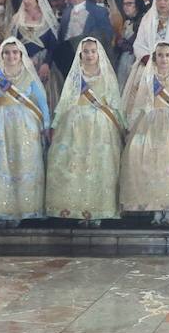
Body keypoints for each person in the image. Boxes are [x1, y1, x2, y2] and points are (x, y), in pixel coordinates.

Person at [0, 37, 50, 227]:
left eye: (15, 52)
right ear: (2, 55)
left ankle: (21, 210)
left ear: (21, 55)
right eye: (7, 52)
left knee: (22, 164)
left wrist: (46, 124)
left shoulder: (29, 76)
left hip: (25, 125)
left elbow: (43, 103)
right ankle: (1, 210)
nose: (11, 56)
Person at [46, 36, 124, 225]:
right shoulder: (75, 75)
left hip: (101, 127)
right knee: (77, 167)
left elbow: (115, 102)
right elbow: (65, 101)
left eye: (93, 51)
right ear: (80, 54)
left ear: (99, 54)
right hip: (76, 126)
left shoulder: (106, 74)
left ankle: (99, 210)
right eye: (86, 51)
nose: (89, 55)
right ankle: (79, 208)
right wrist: (55, 124)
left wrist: (123, 126)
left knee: (99, 168)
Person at [120, 40, 169, 226]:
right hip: (150, 121)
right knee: (149, 162)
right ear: (155, 58)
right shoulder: (148, 77)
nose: (164, 59)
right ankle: (155, 209)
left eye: (167, 55)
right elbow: (139, 104)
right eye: (160, 55)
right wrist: (131, 126)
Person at [11, 0, 61, 111]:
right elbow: (13, 43)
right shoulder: (17, 19)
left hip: (43, 64)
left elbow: (53, 46)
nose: (26, 1)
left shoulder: (48, 19)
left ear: (38, 1)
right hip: (23, 63)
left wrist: (46, 64)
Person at [55, 0, 115, 77]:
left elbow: (106, 36)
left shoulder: (98, 12)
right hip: (68, 61)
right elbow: (61, 36)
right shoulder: (66, 12)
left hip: (90, 62)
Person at [114, 0, 147, 88]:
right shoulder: (126, 21)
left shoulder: (143, 21)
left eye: (129, 4)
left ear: (137, 5)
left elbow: (137, 43)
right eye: (124, 4)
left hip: (137, 62)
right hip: (124, 61)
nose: (125, 7)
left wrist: (123, 43)